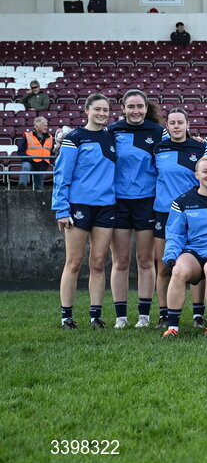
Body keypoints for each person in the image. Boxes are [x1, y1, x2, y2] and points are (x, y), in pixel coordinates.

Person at [52, 93, 117, 330]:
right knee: (74, 262)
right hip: (79, 206)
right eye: (97, 109)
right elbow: (62, 174)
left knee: (98, 262)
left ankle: (95, 316)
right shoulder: (74, 138)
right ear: (86, 110)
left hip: (106, 206)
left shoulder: (111, 137)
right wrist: (61, 208)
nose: (101, 113)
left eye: (105, 110)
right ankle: (66, 317)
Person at [161, 156, 207, 338]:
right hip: (194, 251)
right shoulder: (183, 202)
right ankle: (172, 328)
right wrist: (171, 255)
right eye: (206, 171)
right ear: (197, 175)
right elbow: (175, 233)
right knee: (178, 271)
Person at [108, 90, 165, 329]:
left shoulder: (157, 131)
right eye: (131, 106)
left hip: (146, 202)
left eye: (140, 106)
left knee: (144, 260)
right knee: (120, 261)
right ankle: (121, 316)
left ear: (145, 107)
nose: (136, 111)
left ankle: (144, 316)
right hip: (119, 202)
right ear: (123, 108)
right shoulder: (111, 131)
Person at [153, 108, 207, 330]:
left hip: (193, 210)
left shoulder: (201, 147)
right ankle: (164, 314)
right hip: (164, 212)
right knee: (164, 264)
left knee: (198, 260)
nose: (176, 126)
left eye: (180, 122)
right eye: (172, 122)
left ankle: (197, 314)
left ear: (187, 124)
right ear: (167, 126)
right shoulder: (158, 148)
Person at [16, 116, 53, 191]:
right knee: (26, 166)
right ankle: (22, 187)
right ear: (37, 126)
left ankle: (38, 197)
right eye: (44, 125)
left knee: (39, 186)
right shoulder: (27, 135)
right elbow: (20, 152)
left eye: (46, 125)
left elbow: (51, 152)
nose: (46, 127)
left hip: (42, 163)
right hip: (30, 161)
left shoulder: (50, 137)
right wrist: (29, 158)